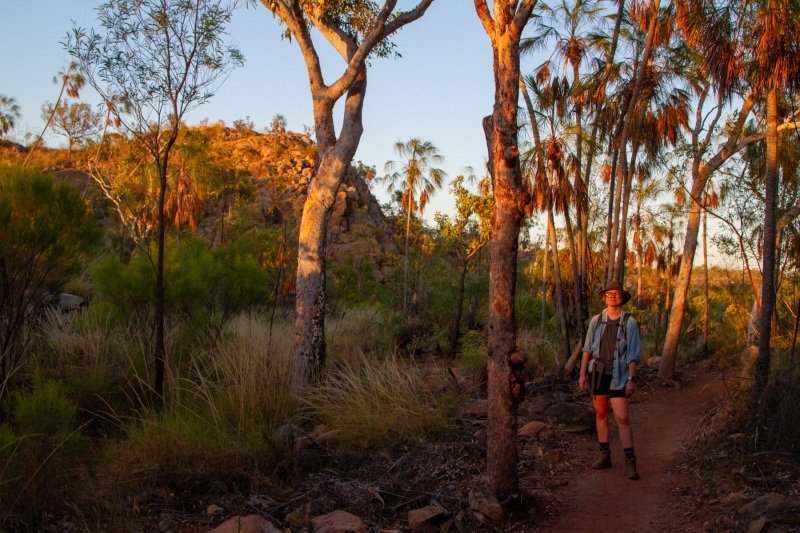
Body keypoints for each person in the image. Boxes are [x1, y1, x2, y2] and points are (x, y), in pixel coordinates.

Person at [579, 280, 641, 480]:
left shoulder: (629, 322)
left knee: (622, 418)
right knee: (601, 413)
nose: (613, 296)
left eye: (617, 293)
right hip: (597, 373)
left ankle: (630, 461)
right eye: (610, 293)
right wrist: (582, 375)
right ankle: (604, 454)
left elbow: (633, 354)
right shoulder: (596, 321)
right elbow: (587, 349)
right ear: (604, 297)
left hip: (620, 375)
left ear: (622, 298)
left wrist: (631, 378)